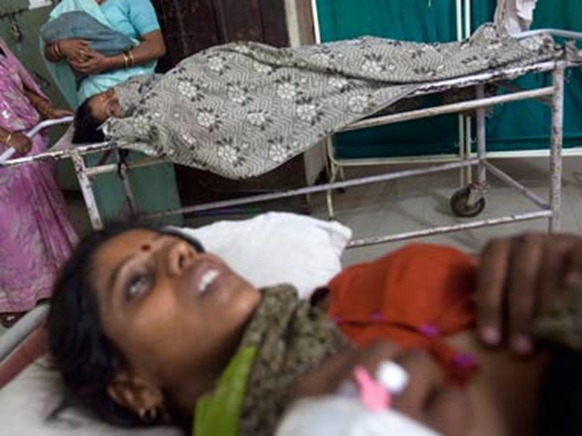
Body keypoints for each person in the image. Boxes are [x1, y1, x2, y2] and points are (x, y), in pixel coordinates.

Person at [46, 223, 582, 435]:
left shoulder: (346, 292)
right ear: (132, 387)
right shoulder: (296, 413)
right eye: (137, 284)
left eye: (177, 246)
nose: (181, 256)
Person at [69, 23, 560, 180]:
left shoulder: (158, 84)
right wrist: (115, 130)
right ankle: (491, 54)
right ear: (114, 122)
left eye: (108, 93)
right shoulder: (156, 118)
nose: (114, 96)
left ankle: (480, 54)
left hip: (296, 64)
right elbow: (197, 126)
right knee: (377, 72)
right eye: (108, 105)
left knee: (373, 51)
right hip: (309, 92)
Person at [41, 0, 183, 226]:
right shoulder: (70, 5)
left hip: (134, 96)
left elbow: (156, 46)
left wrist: (110, 62)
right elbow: (49, 50)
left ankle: (165, 228)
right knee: (104, 168)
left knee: (148, 161)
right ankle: (117, 233)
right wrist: (61, 47)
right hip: (94, 104)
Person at [0, 38, 78, 328]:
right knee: (10, 228)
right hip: (6, 147)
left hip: (27, 138)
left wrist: (45, 109)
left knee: (44, 213)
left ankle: (55, 280)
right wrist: (6, 137)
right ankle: (13, 299)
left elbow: (16, 78)